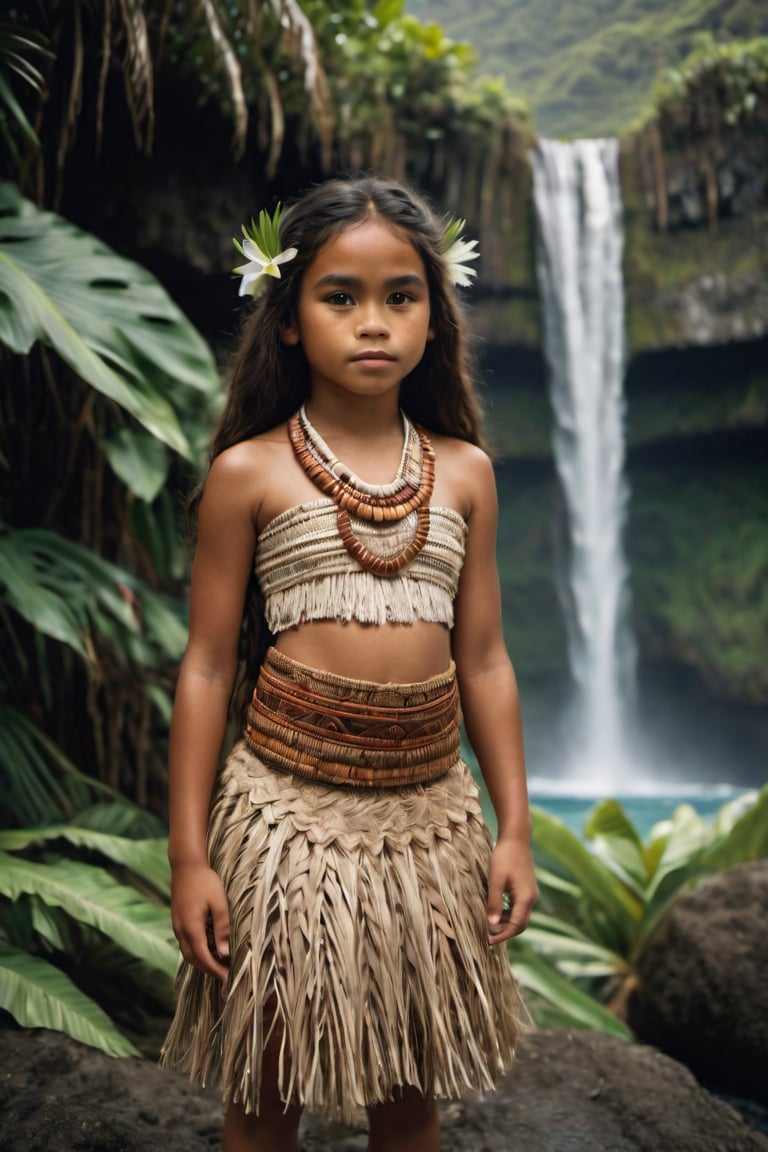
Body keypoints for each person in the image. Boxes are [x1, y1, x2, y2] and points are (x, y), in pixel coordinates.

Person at [160, 173, 538, 1152]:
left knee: (410, 1096)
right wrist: (191, 856)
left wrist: (515, 828)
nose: (374, 323)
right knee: (267, 1081)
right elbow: (205, 668)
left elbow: (485, 661)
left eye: (400, 296)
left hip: (428, 828)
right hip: (284, 821)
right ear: (289, 319)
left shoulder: (464, 474)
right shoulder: (250, 472)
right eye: (341, 296)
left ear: (433, 314)